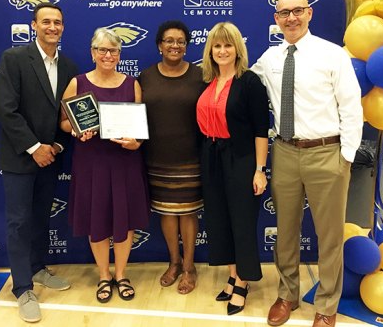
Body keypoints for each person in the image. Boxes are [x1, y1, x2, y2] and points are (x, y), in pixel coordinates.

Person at [251, 0, 363, 327]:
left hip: (328, 154)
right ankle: (287, 295)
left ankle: (327, 307)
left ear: (309, 13)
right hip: (284, 152)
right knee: (285, 231)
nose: (291, 18)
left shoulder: (333, 55)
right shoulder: (270, 58)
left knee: (329, 237)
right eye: (283, 13)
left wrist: (345, 157)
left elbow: (352, 107)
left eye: (297, 11)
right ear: (276, 19)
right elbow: (239, 83)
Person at [0, 2, 78, 323]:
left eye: (57, 22)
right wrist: (33, 147)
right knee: (18, 222)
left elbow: (68, 113)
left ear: (63, 27)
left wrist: (56, 144)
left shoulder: (69, 66)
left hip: (51, 157)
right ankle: (23, 287)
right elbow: (6, 110)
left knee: (42, 215)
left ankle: (38, 267)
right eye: (46, 22)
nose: (52, 27)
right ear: (34, 26)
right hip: (20, 157)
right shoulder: (14, 59)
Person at [60, 27, 149, 304]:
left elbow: (139, 128)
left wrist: (136, 144)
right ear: (93, 53)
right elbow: (63, 121)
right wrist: (75, 131)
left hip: (125, 161)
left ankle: (121, 274)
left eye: (113, 51)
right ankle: (103, 275)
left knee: (125, 220)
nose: (108, 55)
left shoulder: (132, 83)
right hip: (91, 162)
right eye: (102, 50)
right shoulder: (77, 83)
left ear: (120, 55)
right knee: (96, 218)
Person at [196, 21, 270, 315]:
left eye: (228, 45)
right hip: (211, 155)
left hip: (241, 159)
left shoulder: (249, 82)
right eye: (217, 45)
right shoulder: (207, 81)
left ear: (237, 49)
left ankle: (243, 281)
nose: (222, 50)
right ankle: (231, 273)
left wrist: (259, 169)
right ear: (210, 50)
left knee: (241, 220)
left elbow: (261, 130)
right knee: (218, 219)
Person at [139, 20, 205, 295]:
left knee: (188, 214)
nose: (175, 45)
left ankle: (189, 267)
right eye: (169, 40)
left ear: (186, 46)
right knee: (166, 212)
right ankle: (174, 262)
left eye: (180, 41)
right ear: (159, 46)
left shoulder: (201, 75)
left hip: (192, 157)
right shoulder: (145, 77)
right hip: (157, 158)